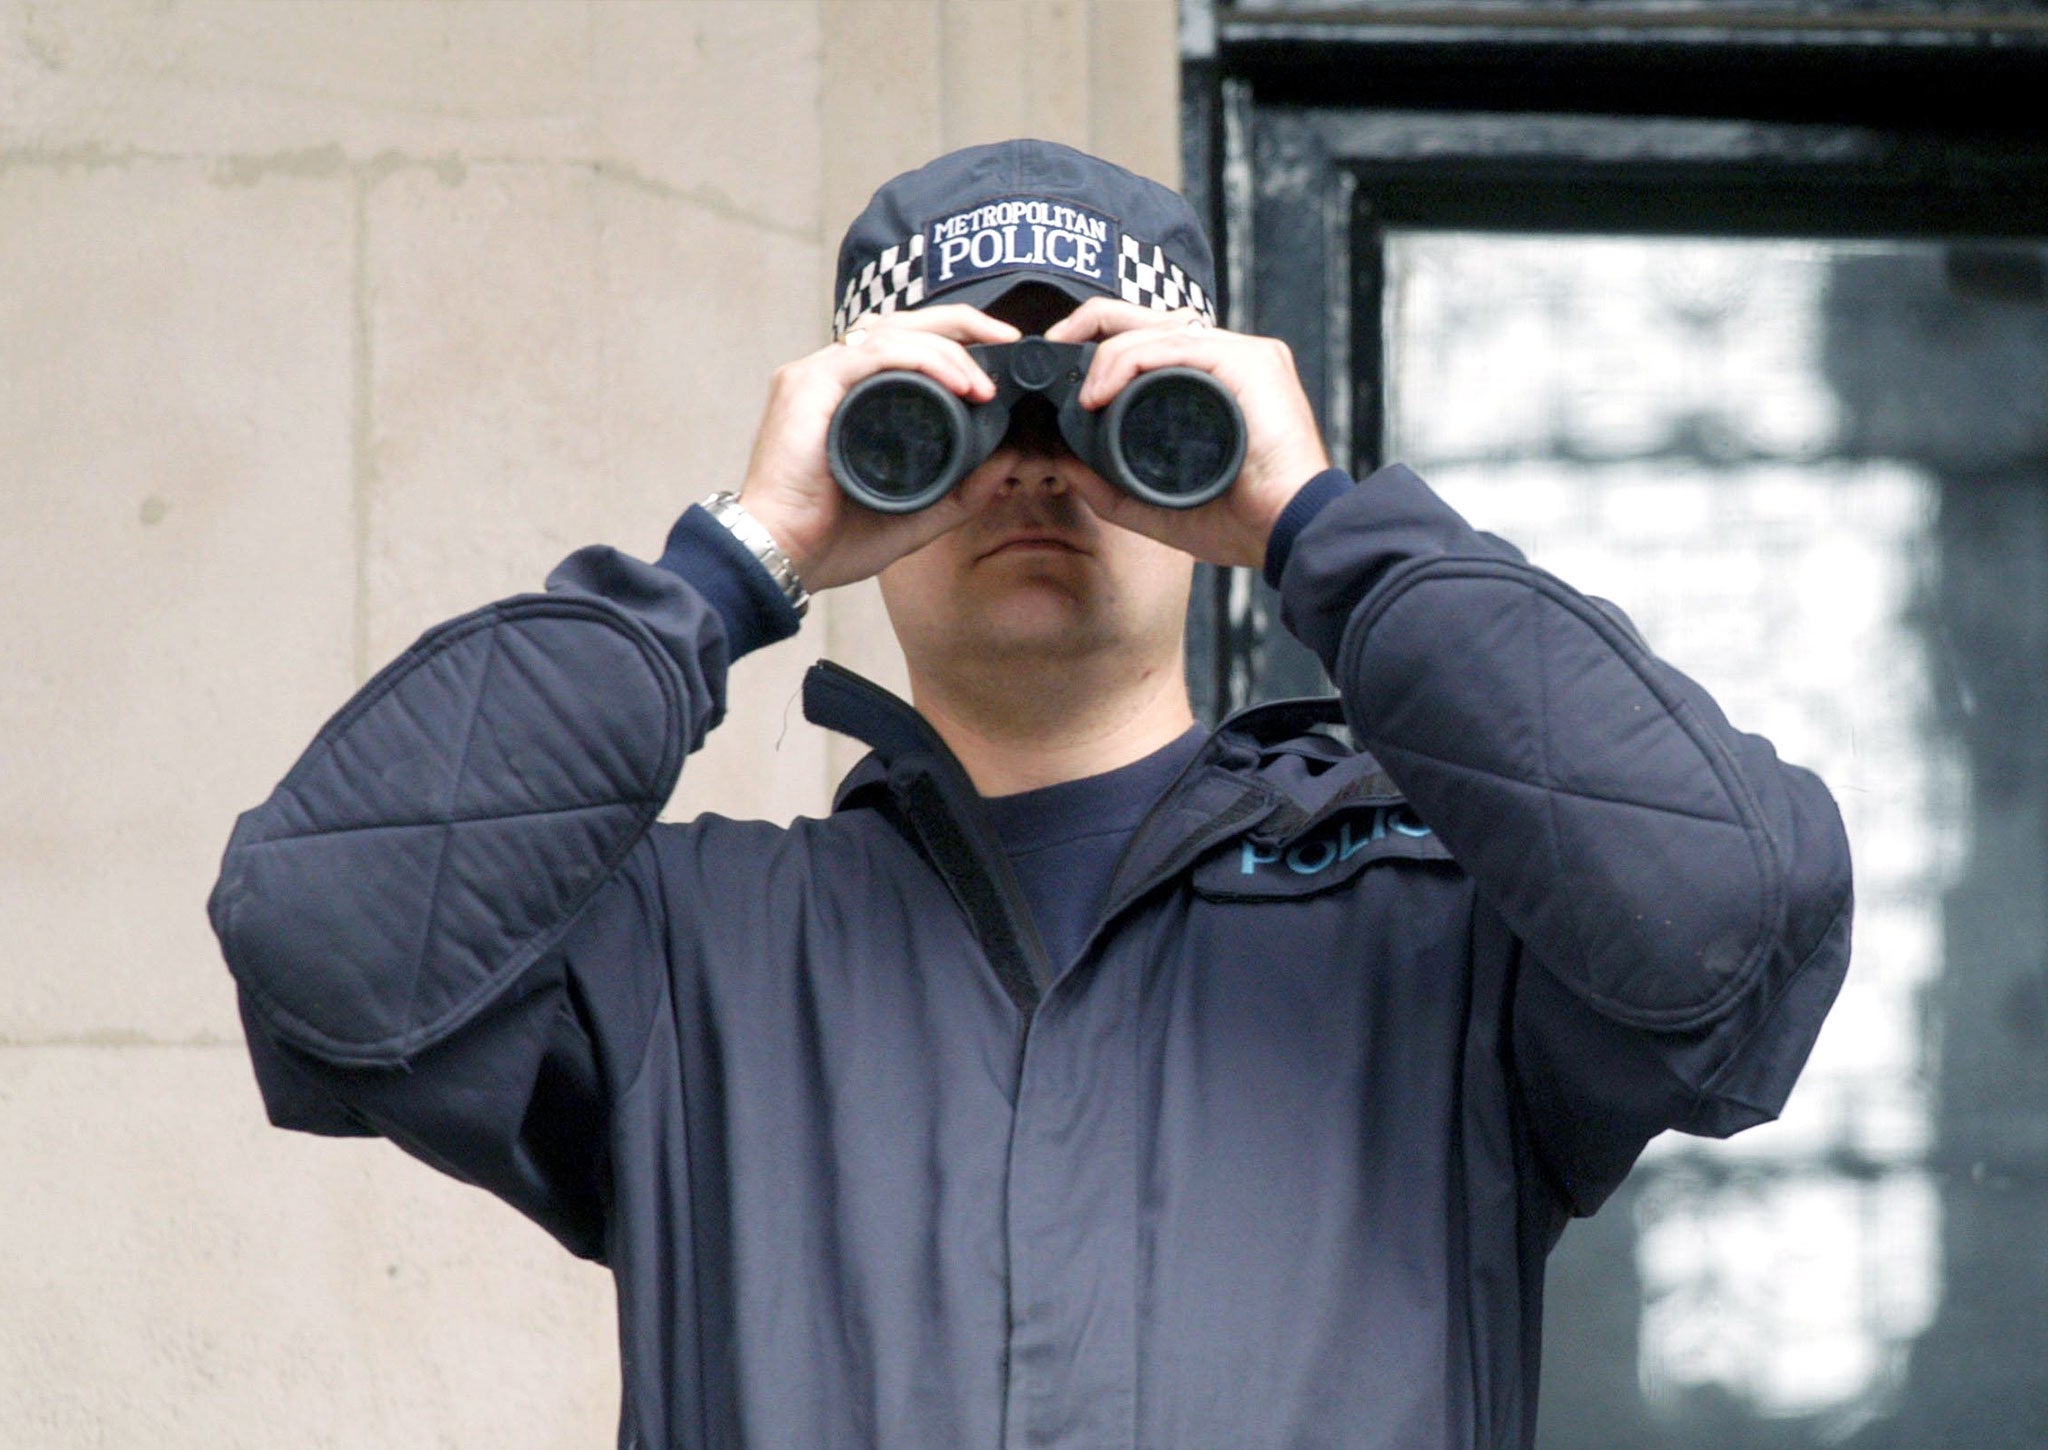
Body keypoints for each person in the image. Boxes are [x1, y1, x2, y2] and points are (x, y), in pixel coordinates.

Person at [210, 140, 1853, 1448]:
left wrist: (1326, 530)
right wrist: (731, 563)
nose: (1035, 460)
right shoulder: (688, 950)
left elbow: (1731, 913)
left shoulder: (1433, 918)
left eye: (1114, 409)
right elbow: (322, 937)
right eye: (958, 414)